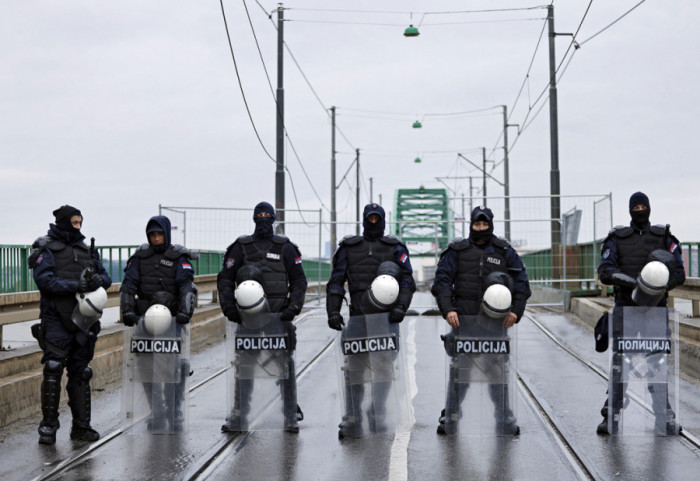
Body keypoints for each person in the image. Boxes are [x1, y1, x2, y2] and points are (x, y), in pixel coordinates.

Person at [431, 205, 530, 435]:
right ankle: (452, 414)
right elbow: (442, 281)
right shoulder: (457, 250)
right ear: (471, 225)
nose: (481, 228)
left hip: (495, 323)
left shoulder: (504, 251)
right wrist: (448, 310)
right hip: (463, 322)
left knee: (497, 371)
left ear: (491, 225)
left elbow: (522, 282)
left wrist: (516, 310)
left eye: (485, 224)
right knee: (460, 371)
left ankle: (504, 416)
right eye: (477, 224)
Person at [596, 191, 685, 435]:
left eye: (642, 206)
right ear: (629, 210)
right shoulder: (617, 238)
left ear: (649, 208)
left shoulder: (664, 237)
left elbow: (680, 273)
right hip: (626, 306)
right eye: (635, 207)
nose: (639, 210)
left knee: (657, 361)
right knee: (620, 361)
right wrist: (635, 284)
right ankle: (611, 414)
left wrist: (658, 285)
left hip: (655, 309)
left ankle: (663, 415)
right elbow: (605, 271)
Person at [326, 203, 416, 438]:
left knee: (384, 368)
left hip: (386, 318)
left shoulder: (395, 247)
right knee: (353, 368)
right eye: (370, 218)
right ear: (364, 219)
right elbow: (336, 281)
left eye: (378, 218)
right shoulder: (349, 248)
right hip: (357, 316)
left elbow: (407, 280)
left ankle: (377, 409)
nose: (374, 222)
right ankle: (352, 414)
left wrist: (401, 308)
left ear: (383, 220)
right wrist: (333, 311)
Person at [218, 201, 307, 433]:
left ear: (274, 218)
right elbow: (225, 279)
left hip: (279, 318)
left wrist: (293, 307)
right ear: (254, 218)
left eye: (268, 215)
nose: (264, 218)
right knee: (244, 367)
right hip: (248, 320)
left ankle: (289, 414)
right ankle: (239, 414)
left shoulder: (286, 247)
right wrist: (229, 307)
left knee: (285, 366)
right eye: (260, 215)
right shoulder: (240, 248)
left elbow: (299, 281)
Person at [28, 205, 112, 445]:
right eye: (74, 223)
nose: (78, 227)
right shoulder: (47, 247)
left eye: (80, 223)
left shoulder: (86, 249)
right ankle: (48, 427)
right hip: (56, 317)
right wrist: (76, 285)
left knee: (82, 372)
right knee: (53, 367)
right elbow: (45, 281)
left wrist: (98, 281)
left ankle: (81, 427)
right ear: (64, 222)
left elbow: (105, 278)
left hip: (84, 318)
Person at [119, 215, 198, 432]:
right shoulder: (139, 258)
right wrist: (127, 310)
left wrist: (184, 311)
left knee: (176, 366)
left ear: (166, 234)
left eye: (159, 234)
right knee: (146, 367)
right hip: (145, 321)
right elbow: (128, 285)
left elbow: (186, 285)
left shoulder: (178, 257)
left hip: (172, 321)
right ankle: (156, 410)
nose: (155, 238)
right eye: (152, 234)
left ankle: (174, 410)